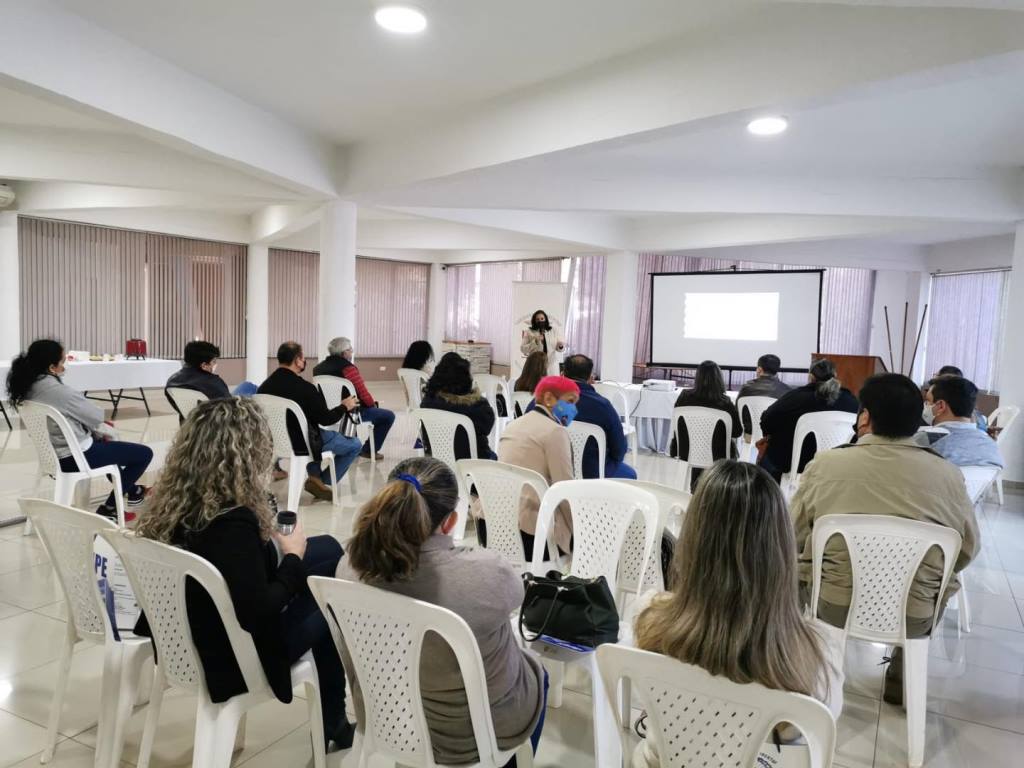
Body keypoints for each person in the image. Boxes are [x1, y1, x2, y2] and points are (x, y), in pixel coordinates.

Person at [133, 398, 353, 751]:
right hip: (234, 652)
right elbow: (258, 609)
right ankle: (334, 721)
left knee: (327, 548)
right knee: (332, 601)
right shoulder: (232, 521)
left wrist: (284, 553)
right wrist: (293, 557)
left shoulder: (177, 501)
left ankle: (335, 722)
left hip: (189, 631)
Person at [336, 458, 546, 767]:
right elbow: (518, 595)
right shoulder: (486, 574)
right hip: (472, 735)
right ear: (450, 522)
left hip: (388, 719)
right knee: (536, 670)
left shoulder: (348, 567)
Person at [633, 461, 844, 767]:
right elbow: (812, 731)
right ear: (780, 551)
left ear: (692, 541)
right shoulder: (817, 655)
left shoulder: (649, 616)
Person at [791, 373, 979, 706]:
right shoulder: (948, 475)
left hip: (834, 604)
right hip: (914, 614)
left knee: (792, 569)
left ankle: (797, 671)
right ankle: (900, 679)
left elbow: (793, 535)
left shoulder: (826, 464)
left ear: (864, 417)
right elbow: (966, 549)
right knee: (935, 584)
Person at [6, 339, 153, 521]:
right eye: (62, 361)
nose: (65, 364)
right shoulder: (58, 391)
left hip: (52, 454)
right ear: (52, 367)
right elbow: (96, 416)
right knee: (144, 454)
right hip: (75, 457)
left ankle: (134, 491)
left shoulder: (28, 385)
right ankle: (110, 509)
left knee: (106, 444)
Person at [257, 342, 361, 502]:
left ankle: (315, 477)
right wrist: (344, 406)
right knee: (355, 444)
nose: (304, 361)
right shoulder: (306, 388)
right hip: (304, 442)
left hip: (274, 442)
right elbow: (326, 419)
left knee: (312, 434)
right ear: (298, 360)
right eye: (303, 357)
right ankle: (321, 481)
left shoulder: (264, 387)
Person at [497, 375, 578, 556]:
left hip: (496, 524)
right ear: (548, 398)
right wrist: (580, 530)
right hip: (532, 534)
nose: (574, 409)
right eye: (570, 401)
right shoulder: (555, 432)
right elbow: (563, 488)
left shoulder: (513, 425)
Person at [758, 358, 859, 483]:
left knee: (767, 457)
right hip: (837, 467)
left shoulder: (794, 398)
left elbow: (766, 422)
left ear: (811, 377)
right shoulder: (852, 402)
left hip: (796, 466)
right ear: (835, 376)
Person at [313, 337, 395, 460]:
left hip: (329, 411)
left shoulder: (318, 369)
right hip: (351, 411)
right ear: (344, 352)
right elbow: (362, 393)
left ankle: (350, 445)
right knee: (388, 416)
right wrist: (373, 405)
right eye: (351, 350)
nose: (352, 352)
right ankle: (368, 451)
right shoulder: (348, 368)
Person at [562, 353, 636, 479]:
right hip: (593, 472)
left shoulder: (544, 399)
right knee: (630, 474)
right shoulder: (603, 406)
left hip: (553, 470)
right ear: (590, 378)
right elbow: (619, 449)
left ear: (563, 374)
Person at [671, 360, 741, 490]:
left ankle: (696, 491)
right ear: (719, 379)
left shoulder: (684, 396)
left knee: (699, 448)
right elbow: (737, 432)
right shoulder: (725, 402)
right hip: (718, 455)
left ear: (697, 377)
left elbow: (677, 426)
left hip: (687, 450)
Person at [420, 352, 497, 460]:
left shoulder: (427, 403)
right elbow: (487, 427)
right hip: (473, 463)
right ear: (466, 380)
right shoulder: (478, 407)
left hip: (438, 462)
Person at [925, 376, 1004, 468]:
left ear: (940, 406)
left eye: (928, 401)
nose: (925, 406)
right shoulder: (992, 447)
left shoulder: (927, 444)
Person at [736, 353, 791, 434]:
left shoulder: (746, 388)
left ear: (759, 369)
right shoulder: (787, 391)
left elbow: (737, 412)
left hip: (749, 436)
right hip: (774, 438)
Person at [518, 310, 564, 376]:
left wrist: (560, 346)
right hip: (535, 365)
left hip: (551, 365)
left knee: (550, 385)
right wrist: (535, 341)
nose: (540, 321)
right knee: (536, 385)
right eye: (537, 319)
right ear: (534, 321)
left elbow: (560, 347)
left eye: (542, 319)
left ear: (546, 319)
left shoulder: (553, 330)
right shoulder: (528, 332)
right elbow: (523, 349)